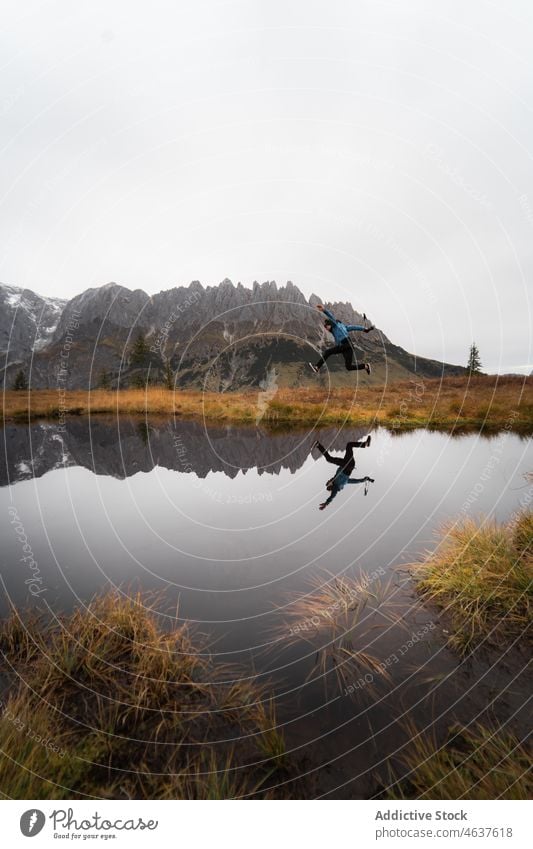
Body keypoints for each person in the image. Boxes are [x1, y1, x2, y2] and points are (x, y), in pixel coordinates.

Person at [309, 304, 374, 374]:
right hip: (347, 347)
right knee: (348, 367)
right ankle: (366, 366)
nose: (326, 328)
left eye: (326, 326)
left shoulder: (336, 325)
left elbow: (330, 316)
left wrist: (324, 310)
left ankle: (317, 367)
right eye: (325, 327)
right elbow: (354, 327)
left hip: (346, 344)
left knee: (328, 352)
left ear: (330, 324)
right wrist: (364, 329)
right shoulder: (342, 328)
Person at [313, 435, 374, 510]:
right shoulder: (337, 485)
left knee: (349, 445)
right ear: (331, 485)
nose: (328, 480)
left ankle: (365, 444)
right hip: (347, 466)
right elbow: (333, 495)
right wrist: (327, 503)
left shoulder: (339, 480)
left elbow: (356, 481)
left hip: (347, 463)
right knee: (329, 459)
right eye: (328, 482)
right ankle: (318, 445)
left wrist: (365, 479)